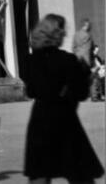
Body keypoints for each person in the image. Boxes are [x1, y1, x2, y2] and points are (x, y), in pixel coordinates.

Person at [23, 14, 104, 184]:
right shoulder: (67, 60)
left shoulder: (31, 61)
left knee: (40, 172)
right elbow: (81, 93)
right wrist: (84, 76)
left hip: (39, 119)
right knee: (79, 173)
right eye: (62, 31)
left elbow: (30, 92)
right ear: (56, 34)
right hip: (64, 120)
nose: (65, 34)